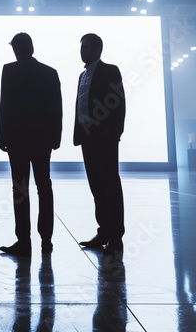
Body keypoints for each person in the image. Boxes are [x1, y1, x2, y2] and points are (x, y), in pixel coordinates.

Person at [0, 33, 62, 256]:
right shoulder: (49, 72)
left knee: (20, 189)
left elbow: (5, 105)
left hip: (16, 140)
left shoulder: (10, 70)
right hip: (43, 140)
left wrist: (2, 136)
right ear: (32, 47)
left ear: (15, 49)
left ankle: (24, 240)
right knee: (44, 187)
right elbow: (57, 108)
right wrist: (56, 137)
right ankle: (47, 239)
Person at [73, 33, 126, 256]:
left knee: (110, 186)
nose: (81, 51)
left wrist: (114, 133)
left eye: (85, 47)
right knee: (96, 187)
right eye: (81, 47)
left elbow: (119, 103)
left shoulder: (110, 70)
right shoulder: (82, 75)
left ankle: (116, 237)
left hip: (105, 138)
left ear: (97, 50)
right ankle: (103, 231)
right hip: (87, 138)